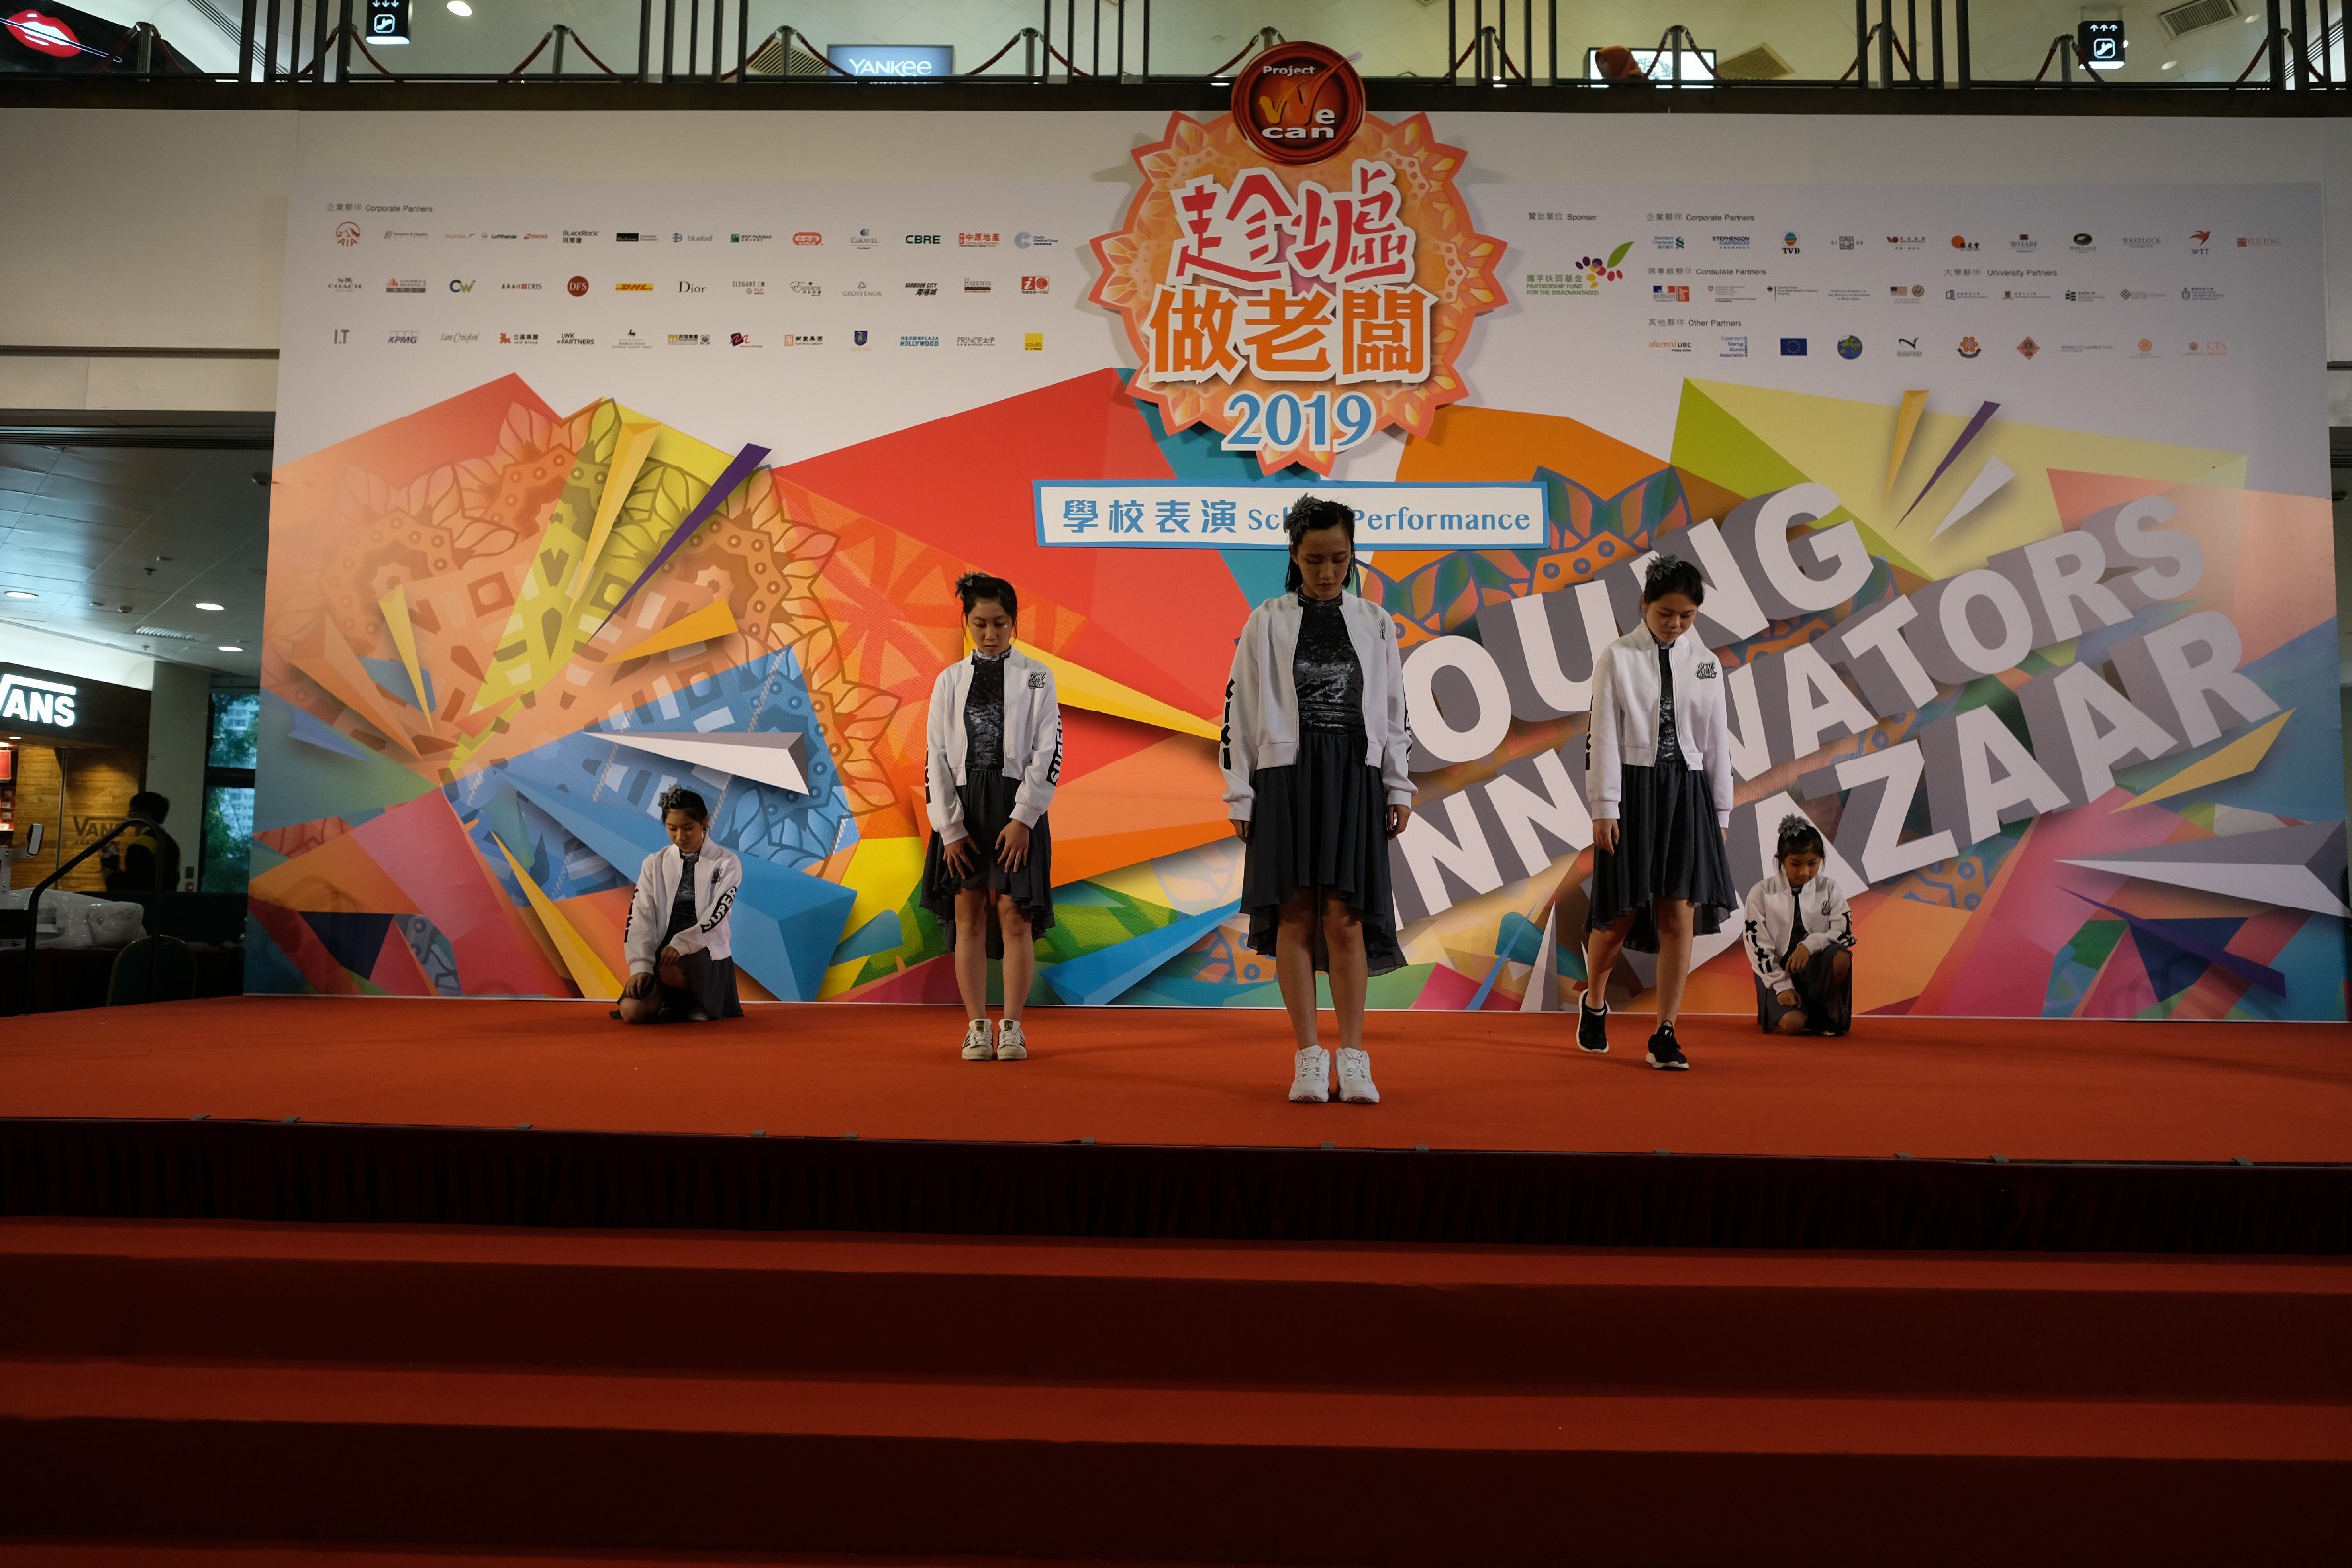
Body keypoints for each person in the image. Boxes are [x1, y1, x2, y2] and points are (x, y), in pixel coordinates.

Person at [1223, 495, 1415, 1105]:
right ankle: (1308, 1056)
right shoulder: (1266, 621)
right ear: (1293, 556)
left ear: (1352, 553)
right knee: (1295, 918)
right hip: (1286, 780)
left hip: (1354, 779)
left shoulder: (1376, 621)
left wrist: (1398, 784)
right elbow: (1239, 711)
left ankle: (1354, 1058)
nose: (1327, 571)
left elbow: (1394, 712)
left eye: (1338, 558)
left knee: (1346, 920)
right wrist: (1241, 795)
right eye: (1314, 560)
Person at [1578, 554, 1737, 1071]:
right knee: (1618, 914)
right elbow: (1602, 734)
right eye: (1665, 613)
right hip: (1632, 790)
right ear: (1644, 604)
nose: (1675, 624)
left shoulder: (1707, 662)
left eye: (1686, 615)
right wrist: (1604, 806)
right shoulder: (1617, 657)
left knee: (1678, 913)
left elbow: (1716, 742)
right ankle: (1594, 1001)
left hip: (1687, 793)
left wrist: (1720, 812)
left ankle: (1666, 1030)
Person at [921, 570, 1061, 1062]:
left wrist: (1024, 818)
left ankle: (1013, 1028)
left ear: (1014, 623)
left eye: (999, 623)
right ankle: (976, 1027)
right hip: (962, 809)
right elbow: (935, 756)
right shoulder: (948, 680)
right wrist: (949, 828)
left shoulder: (1038, 676)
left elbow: (1049, 750)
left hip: (1015, 806)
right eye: (979, 624)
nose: (989, 634)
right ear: (966, 622)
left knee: (1014, 916)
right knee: (969, 916)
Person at [618, 786, 744, 1025]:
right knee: (631, 1011)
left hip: (703, 947)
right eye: (672, 828)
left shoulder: (727, 862)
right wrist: (640, 965)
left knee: (670, 969)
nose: (680, 837)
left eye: (688, 828)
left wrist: (682, 943)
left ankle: (695, 1001)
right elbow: (640, 913)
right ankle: (671, 1002)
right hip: (662, 948)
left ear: (704, 821)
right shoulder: (654, 862)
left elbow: (717, 915)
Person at [1742, 814, 1856, 1036]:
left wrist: (1810, 945)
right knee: (1792, 1024)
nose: (1805, 872)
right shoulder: (1760, 892)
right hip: (1775, 971)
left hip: (1814, 969)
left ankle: (1816, 1010)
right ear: (1780, 859)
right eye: (1796, 864)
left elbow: (1845, 933)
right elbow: (1757, 947)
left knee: (1842, 957)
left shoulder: (1830, 889)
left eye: (1813, 864)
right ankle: (1784, 1008)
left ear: (1821, 859)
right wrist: (1781, 985)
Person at [103, 791, 181, 895]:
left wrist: (111, 876)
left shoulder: (143, 841)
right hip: (166, 901)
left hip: (145, 901)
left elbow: (136, 882)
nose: (129, 815)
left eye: (132, 811)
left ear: (146, 814)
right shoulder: (171, 843)